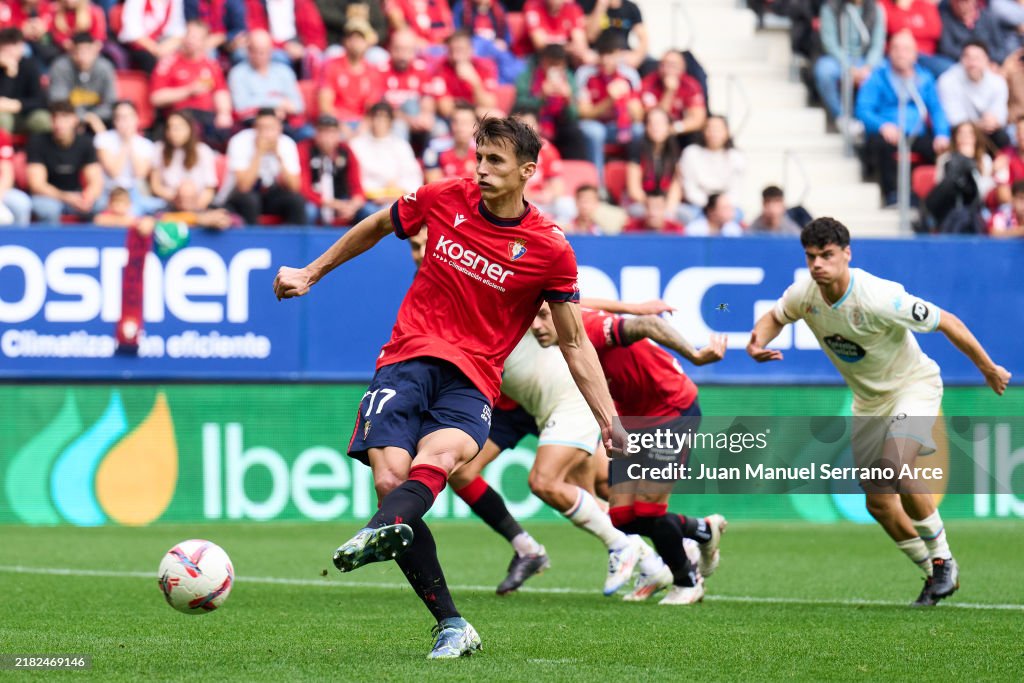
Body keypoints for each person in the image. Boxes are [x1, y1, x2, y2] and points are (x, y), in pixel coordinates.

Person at [273, 115, 621, 659]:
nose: (481, 169)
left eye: (495, 161)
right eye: (478, 157)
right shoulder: (442, 198)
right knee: (393, 483)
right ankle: (452, 621)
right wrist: (311, 272)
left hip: (475, 377)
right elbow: (377, 224)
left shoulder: (550, 248)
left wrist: (609, 420)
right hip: (407, 358)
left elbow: (575, 342)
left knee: (448, 454)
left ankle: (379, 530)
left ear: (528, 171)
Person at [747, 217, 1011, 605]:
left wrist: (988, 368)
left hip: (912, 387)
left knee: (894, 467)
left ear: (847, 254)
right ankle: (934, 573)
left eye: (827, 255)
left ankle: (944, 560)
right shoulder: (805, 293)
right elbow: (773, 318)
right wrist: (756, 344)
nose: (818, 264)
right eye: (811, 257)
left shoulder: (878, 295)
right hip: (868, 402)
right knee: (878, 501)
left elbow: (947, 322)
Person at [531, 301, 728, 604]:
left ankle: (687, 582)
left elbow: (649, 324)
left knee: (650, 510)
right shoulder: (566, 330)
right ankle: (703, 530)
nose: (536, 327)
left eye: (543, 317)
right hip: (632, 420)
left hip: (671, 409)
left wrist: (696, 356)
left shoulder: (591, 329)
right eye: (532, 319)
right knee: (622, 516)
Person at [855, 30, 949, 206]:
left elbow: (937, 109)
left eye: (906, 49)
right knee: (881, 145)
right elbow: (863, 109)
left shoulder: (924, 78)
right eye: (896, 48)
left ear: (915, 54)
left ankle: (928, 199)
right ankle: (891, 194)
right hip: (887, 133)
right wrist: (882, 126)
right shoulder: (878, 76)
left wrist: (942, 133)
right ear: (889, 52)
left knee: (940, 151)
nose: (900, 53)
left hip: (916, 133)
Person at [150, 20, 234, 147]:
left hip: (206, 118)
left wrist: (224, 113)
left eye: (196, 38)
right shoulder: (169, 62)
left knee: (225, 132)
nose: (190, 41)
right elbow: (156, 98)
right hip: (178, 116)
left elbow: (221, 91)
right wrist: (188, 90)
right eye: (189, 35)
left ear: (204, 42)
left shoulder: (211, 65)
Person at [576, 31, 644, 186]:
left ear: (619, 54)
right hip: (596, 125)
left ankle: (635, 185)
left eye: (611, 54)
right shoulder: (586, 73)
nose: (606, 60)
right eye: (603, 54)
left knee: (639, 130)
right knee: (595, 131)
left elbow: (639, 116)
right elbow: (584, 113)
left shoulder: (629, 75)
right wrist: (609, 101)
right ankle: (598, 186)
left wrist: (625, 99)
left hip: (620, 128)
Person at [218, 108, 307, 225]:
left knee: (296, 201)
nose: (266, 133)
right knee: (250, 200)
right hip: (237, 196)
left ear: (279, 128)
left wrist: (279, 157)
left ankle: (293, 241)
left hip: (270, 194)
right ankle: (252, 241)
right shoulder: (239, 141)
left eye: (271, 128)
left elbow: (294, 187)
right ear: (255, 128)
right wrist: (259, 153)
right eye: (262, 128)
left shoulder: (287, 143)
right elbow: (244, 187)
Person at [814, 0, 888, 126]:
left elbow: (878, 44)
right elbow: (829, 43)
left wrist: (868, 66)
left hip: (865, 59)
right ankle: (841, 116)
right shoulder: (831, 8)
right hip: (838, 59)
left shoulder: (876, 9)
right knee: (824, 71)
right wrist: (848, 67)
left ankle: (874, 120)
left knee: (886, 71)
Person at [27, 100, 102, 222]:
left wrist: (88, 197)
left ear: (75, 120)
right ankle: (49, 241)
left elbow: (96, 181)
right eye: (55, 118)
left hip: (76, 195)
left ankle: (87, 241)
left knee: (98, 203)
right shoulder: (37, 142)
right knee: (48, 209)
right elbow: (37, 185)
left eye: (64, 118)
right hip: (49, 197)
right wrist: (66, 197)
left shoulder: (86, 142)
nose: (59, 123)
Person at [348, 101, 423, 220]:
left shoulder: (401, 146)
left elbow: (413, 177)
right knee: (372, 213)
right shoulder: (356, 145)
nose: (380, 122)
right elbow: (355, 180)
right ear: (370, 119)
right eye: (376, 117)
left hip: (397, 198)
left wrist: (396, 193)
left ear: (390, 122)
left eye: (384, 118)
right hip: (369, 201)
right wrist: (378, 193)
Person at [228, 29, 308, 138]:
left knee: (308, 133)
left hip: (284, 124)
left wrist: (261, 101)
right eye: (255, 51)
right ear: (248, 50)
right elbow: (241, 106)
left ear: (271, 51)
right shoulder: (238, 73)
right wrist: (276, 104)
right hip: (252, 126)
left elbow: (298, 105)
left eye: (264, 51)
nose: (260, 55)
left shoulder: (284, 71)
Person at [94, 100, 165, 215]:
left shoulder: (146, 144)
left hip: (135, 192)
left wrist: (130, 141)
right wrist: (125, 143)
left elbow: (140, 174)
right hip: (111, 191)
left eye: (128, 117)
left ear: (136, 118)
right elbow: (114, 172)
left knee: (156, 206)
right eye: (120, 118)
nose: (124, 122)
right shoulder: (103, 139)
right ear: (115, 121)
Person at [937, 40, 1009, 149]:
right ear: (961, 59)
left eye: (977, 58)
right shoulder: (947, 80)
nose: (973, 63)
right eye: (968, 58)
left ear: (986, 60)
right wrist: (978, 125)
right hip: (958, 131)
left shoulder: (997, 82)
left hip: (987, 131)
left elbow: (1001, 114)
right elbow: (952, 119)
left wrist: (994, 121)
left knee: (1002, 137)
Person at [150, 110, 220, 213]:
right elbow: (156, 186)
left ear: (190, 129)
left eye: (178, 128)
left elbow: (209, 188)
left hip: (198, 205)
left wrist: (195, 207)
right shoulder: (159, 149)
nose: (174, 132)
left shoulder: (203, 151)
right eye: (170, 128)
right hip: (170, 205)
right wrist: (178, 200)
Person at [318, 20, 385, 128]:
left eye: (360, 38)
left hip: (362, 125)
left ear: (367, 43)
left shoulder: (373, 72)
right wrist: (343, 127)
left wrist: (362, 129)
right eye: (352, 37)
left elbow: (372, 108)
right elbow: (325, 105)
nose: (355, 42)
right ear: (345, 41)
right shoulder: (332, 66)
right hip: (336, 123)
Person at [301, 114, 365, 226]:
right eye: (323, 132)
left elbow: (357, 187)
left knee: (369, 212)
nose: (327, 137)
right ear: (316, 134)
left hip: (342, 198)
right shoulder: (305, 149)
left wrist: (353, 205)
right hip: (316, 200)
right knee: (308, 211)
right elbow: (303, 188)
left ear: (338, 134)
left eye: (332, 132)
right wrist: (331, 204)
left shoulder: (346, 151)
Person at [678, 114, 744, 221]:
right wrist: (710, 208)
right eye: (709, 128)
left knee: (737, 215)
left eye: (718, 129)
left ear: (727, 132)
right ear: (703, 131)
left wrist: (721, 207)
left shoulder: (736, 157)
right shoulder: (691, 153)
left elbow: (735, 191)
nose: (713, 133)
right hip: (698, 207)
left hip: (725, 207)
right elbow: (689, 188)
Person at [48, 32, 117, 133]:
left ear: (95, 50)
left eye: (87, 51)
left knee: (119, 118)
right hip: (69, 118)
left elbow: (111, 102)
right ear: (71, 51)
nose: (82, 57)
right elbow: (58, 101)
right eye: (78, 51)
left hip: (100, 118)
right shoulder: (60, 67)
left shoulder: (105, 68)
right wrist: (83, 117)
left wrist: (92, 117)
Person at [639, 50, 706, 150]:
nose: (667, 69)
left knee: (695, 136)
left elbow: (698, 119)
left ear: (682, 67)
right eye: (664, 64)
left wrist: (674, 128)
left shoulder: (691, 85)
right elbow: (655, 117)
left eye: (673, 65)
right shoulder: (649, 83)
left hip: (678, 129)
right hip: (655, 129)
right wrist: (669, 92)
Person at [625, 107, 682, 215]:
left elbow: (676, 186)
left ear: (669, 127)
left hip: (665, 203)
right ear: (646, 127)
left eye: (660, 123)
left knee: (685, 215)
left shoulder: (674, 150)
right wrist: (653, 206)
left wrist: (669, 207)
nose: (656, 127)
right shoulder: (637, 149)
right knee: (637, 212)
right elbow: (634, 190)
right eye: (651, 123)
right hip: (643, 203)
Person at [433, 29, 500, 117]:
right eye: (451, 50)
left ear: (471, 50)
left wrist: (475, 82)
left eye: (460, 50)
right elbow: (445, 109)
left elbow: (490, 104)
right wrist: (475, 110)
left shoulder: (485, 67)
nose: (455, 56)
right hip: (454, 117)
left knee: (496, 117)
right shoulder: (440, 69)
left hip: (477, 114)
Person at [879, 0, 949, 77]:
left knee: (948, 69)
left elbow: (935, 30)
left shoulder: (924, 5)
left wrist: (908, 31)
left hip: (925, 55)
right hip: (897, 54)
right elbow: (891, 26)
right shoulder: (884, 4)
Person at [0, 27, 50, 134]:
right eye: (6, 49)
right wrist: (9, 73)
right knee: (3, 118)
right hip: (3, 115)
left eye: (14, 47)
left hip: (25, 115)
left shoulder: (30, 66)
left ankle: (37, 150)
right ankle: (4, 150)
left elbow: (40, 100)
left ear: (22, 48)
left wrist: (18, 105)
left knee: (42, 119)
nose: (11, 52)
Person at [118, 0, 187, 73]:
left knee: (182, 55)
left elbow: (178, 31)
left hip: (161, 44)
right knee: (149, 59)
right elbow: (132, 31)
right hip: (137, 45)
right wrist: (156, 49)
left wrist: (164, 48)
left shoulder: (175, 2)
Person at [423, 102, 477, 183]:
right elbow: (433, 184)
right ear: (451, 124)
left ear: (476, 126)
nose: (461, 127)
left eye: (466, 123)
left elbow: (480, 184)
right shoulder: (435, 147)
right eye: (456, 122)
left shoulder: (482, 150)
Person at [0, 127, 31, 224]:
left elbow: (7, 173)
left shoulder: (1, 135)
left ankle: (19, 239)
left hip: (1, 190)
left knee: (21, 203)